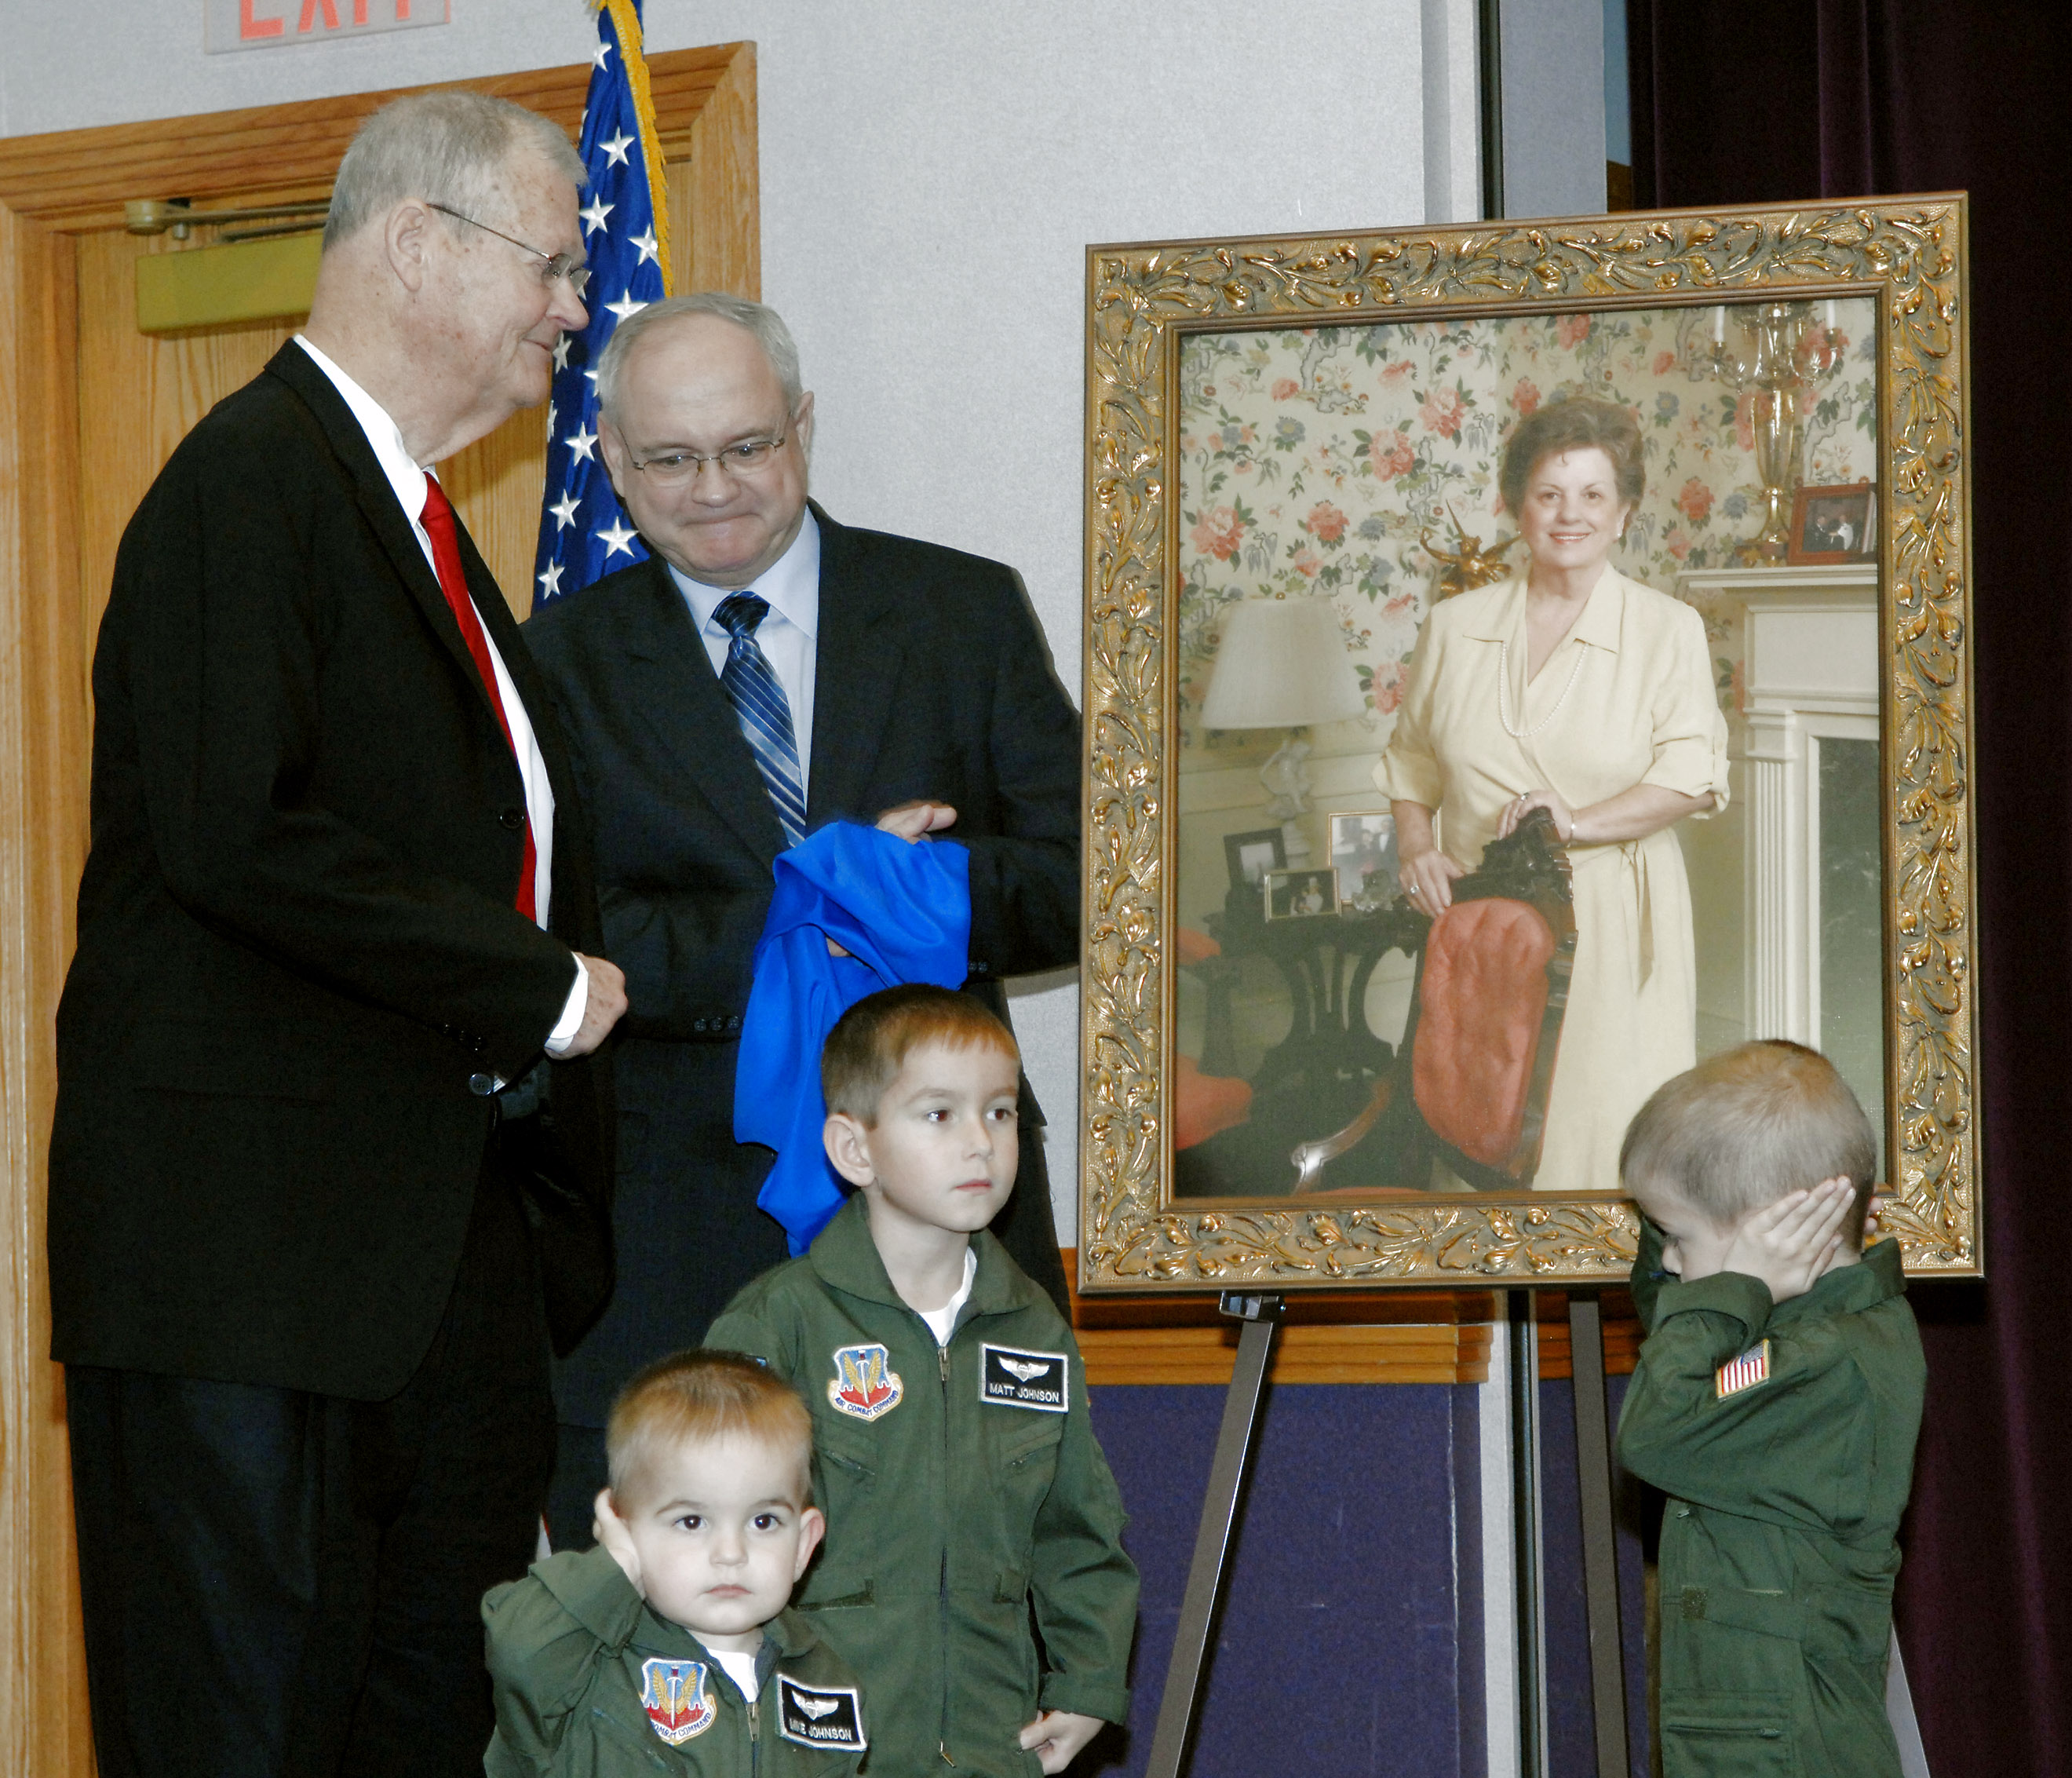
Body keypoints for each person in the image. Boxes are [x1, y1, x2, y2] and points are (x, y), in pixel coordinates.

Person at [46, 92, 629, 1776]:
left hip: (427, 1287)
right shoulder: (248, 483)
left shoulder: (426, 531)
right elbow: (241, 835)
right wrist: (533, 989)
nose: (575, 310)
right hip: (255, 1288)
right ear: (416, 248)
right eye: (555, 264)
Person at [525, 293, 1082, 1541]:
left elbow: (1087, 877)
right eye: (669, 458)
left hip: (946, 1209)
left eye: (748, 446)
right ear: (610, 462)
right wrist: (819, 902)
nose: (714, 487)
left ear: (804, 428)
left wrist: (922, 896)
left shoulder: (959, 611)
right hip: (668, 1240)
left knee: (972, 1603)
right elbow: (564, 940)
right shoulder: (550, 664)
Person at [706, 985, 1137, 1776]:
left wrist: (1085, 1684)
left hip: (988, 1743)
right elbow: (706, 1548)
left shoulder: (1032, 1329)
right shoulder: (778, 1325)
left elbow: (1076, 1530)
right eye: (939, 1115)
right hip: (816, 1748)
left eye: (1000, 1112)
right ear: (854, 1149)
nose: (981, 1143)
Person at [1377, 396, 1729, 1190]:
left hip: (1610, 917)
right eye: (1549, 494)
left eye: (1593, 495)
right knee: (1482, 1139)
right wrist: (1417, 847)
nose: (1570, 515)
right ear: (1516, 507)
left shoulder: (1665, 628)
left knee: (1597, 1148)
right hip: (1484, 926)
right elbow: (1410, 768)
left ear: (1625, 513)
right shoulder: (1454, 626)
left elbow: (1691, 775)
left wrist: (1577, 820)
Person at [1616, 1041, 1924, 1778]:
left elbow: (1655, 1432)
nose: (1670, 1264)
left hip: (1792, 1755)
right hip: (1753, 1742)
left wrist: (1738, 1282)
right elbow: (1671, 1315)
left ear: (1769, 1230)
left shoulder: (1834, 1364)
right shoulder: (1792, 1325)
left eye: (1680, 1238)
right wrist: (1732, 1274)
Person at [483, 1351, 866, 1775]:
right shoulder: (585, 1665)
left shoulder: (824, 1682)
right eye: (691, 1521)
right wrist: (613, 1571)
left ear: (803, 1544)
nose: (730, 1553)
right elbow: (516, 1655)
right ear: (623, 1529)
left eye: (763, 1521)